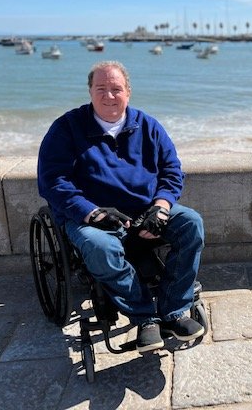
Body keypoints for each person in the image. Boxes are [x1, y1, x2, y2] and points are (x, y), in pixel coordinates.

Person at [37, 60, 205, 352]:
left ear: (128, 92)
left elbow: (171, 171)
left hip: (144, 210)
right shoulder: (66, 129)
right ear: (90, 92)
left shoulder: (148, 126)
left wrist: (161, 207)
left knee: (191, 223)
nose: (109, 96)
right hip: (89, 216)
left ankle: (173, 310)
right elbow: (53, 181)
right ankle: (144, 317)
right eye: (101, 88)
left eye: (116, 89)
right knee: (100, 247)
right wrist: (93, 212)